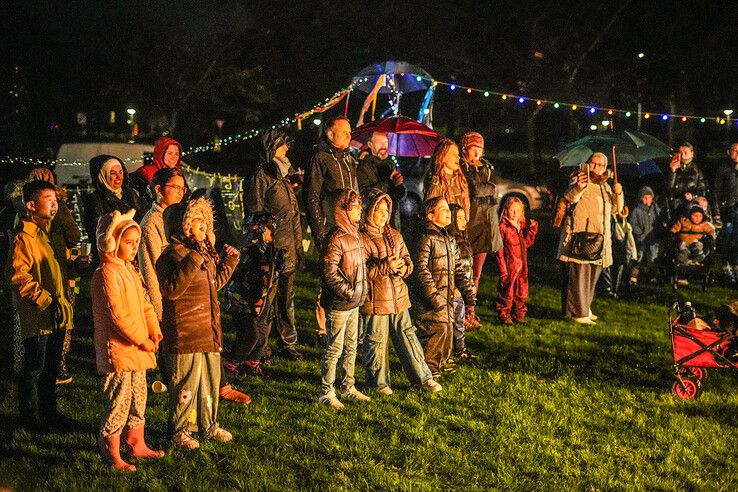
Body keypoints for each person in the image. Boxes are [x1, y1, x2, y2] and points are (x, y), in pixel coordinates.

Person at [157, 197, 243, 449]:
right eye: (196, 219)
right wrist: (193, 259)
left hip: (208, 329)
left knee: (209, 380)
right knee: (185, 384)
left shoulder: (203, 253)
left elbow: (213, 286)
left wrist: (229, 263)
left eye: (204, 218)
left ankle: (208, 424)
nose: (203, 223)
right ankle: (181, 429)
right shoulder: (171, 255)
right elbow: (171, 290)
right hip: (185, 331)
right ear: (182, 225)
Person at [91, 210, 164, 471]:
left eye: (136, 242)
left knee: (138, 397)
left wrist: (153, 329)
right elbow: (117, 315)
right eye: (128, 242)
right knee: (119, 400)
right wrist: (142, 340)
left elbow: (145, 304)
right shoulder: (107, 273)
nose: (134, 247)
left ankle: (136, 442)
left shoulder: (131, 271)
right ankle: (110, 449)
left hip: (139, 347)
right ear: (113, 241)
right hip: (119, 350)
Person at [7, 180, 75, 432]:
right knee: (34, 366)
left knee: (49, 368)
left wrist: (75, 264)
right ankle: (30, 416)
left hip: (55, 313)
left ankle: (49, 411)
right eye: (48, 198)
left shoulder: (47, 231)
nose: (54, 203)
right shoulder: (24, 237)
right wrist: (45, 300)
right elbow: (19, 276)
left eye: (55, 198)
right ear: (31, 205)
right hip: (39, 315)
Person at [360, 189, 442, 395]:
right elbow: (361, 271)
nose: (384, 215)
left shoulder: (394, 235)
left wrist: (405, 267)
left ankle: (423, 378)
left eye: (386, 210)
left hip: (398, 297)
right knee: (376, 341)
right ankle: (378, 383)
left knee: (408, 337)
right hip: (375, 299)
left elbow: (407, 259)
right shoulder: (361, 238)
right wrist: (385, 265)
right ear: (368, 211)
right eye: (379, 210)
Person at [245, 129, 304, 361]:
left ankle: (287, 342)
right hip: (271, 249)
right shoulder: (262, 175)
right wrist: (263, 239)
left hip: (287, 246)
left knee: (286, 300)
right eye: (282, 145)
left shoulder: (283, 174)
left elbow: (292, 216)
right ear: (271, 149)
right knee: (266, 300)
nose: (286, 149)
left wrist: (297, 249)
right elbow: (254, 210)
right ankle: (262, 346)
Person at [27, 167, 88, 385]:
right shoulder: (55, 211)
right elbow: (73, 235)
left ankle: (47, 370)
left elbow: (75, 236)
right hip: (51, 278)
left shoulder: (24, 213)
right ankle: (54, 367)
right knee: (58, 324)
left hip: (57, 274)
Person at [304, 116, 359, 346]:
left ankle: (346, 326)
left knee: (350, 274)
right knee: (328, 276)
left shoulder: (349, 160)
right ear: (330, 134)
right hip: (331, 227)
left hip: (351, 228)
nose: (349, 135)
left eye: (349, 131)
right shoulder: (321, 159)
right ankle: (321, 329)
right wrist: (320, 231)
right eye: (344, 131)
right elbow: (312, 196)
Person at [410, 197, 476, 379]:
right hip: (430, 300)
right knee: (433, 332)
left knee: (446, 330)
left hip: (445, 297)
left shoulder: (448, 238)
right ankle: (428, 370)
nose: (449, 213)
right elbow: (421, 269)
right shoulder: (426, 237)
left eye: (448, 209)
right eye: (443, 209)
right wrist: (434, 297)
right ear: (430, 216)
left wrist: (467, 290)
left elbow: (457, 267)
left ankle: (439, 362)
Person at [557, 152, 624, 325]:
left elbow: (615, 210)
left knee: (592, 274)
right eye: (593, 163)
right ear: (588, 164)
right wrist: (579, 187)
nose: (596, 167)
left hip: (599, 238)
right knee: (578, 275)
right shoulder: (579, 179)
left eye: (600, 165)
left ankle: (585, 306)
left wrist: (619, 193)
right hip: (581, 235)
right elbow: (570, 198)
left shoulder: (606, 185)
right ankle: (577, 311)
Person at [319, 189, 369, 409]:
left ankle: (348, 386)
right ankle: (327, 391)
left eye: (360, 205)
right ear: (343, 210)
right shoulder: (337, 237)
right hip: (341, 303)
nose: (360, 210)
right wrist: (349, 292)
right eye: (355, 206)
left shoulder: (356, 234)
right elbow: (329, 270)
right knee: (335, 348)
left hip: (354, 303)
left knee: (351, 346)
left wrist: (359, 293)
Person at [223, 212, 283, 378]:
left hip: (261, 301)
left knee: (262, 336)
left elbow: (269, 278)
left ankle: (252, 365)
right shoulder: (248, 251)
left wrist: (277, 267)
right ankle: (229, 365)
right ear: (260, 230)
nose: (272, 233)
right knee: (251, 335)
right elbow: (244, 278)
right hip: (243, 303)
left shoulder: (268, 251)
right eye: (269, 229)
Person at [138, 168, 186, 322]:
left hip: (181, 295)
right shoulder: (151, 223)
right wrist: (159, 315)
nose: (180, 192)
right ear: (159, 189)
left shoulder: (178, 218)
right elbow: (150, 269)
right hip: (165, 300)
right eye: (175, 187)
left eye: (182, 188)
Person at [459, 132, 503, 292]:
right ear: (464, 149)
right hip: (470, 226)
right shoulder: (461, 168)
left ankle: (471, 309)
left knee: (476, 274)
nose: (477, 153)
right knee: (463, 272)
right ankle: (461, 310)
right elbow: (474, 190)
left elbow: (495, 187)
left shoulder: (487, 168)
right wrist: (489, 188)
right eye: (473, 148)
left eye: (480, 148)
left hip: (485, 227)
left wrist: (490, 188)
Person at [83, 155, 142, 260]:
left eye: (121, 172)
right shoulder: (95, 199)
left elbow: (142, 218)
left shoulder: (131, 194)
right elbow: (98, 232)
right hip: (110, 257)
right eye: (113, 173)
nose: (119, 177)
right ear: (102, 175)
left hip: (133, 253)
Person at [495, 196, 538, 325]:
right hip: (509, 265)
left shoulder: (521, 226)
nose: (515, 213)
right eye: (512, 210)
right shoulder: (503, 227)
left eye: (518, 210)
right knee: (507, 292)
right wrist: (503, 269)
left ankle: (519, 314)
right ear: (506, 210)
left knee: (521, 292)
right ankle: (504, 314)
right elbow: (499, 250)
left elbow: (526, 244)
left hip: (522, 265)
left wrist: (532, 230)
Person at [447, 204, 479, 364]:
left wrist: (470, 282)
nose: (463, 220)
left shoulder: (463, 239)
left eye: (463, 217)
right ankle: (448, 352)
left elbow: (467, 265)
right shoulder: (450, 241)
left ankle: (460, 349)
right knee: (452, 322)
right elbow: (452, 267)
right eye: (459, 217)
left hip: (464, 286)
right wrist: (454, 287)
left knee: (460, 321)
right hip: (454, 290)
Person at [356, 131, 406, 230]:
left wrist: (399, 185)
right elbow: (364, 195)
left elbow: (400, 197)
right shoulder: (363, 166)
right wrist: (389, 182)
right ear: (370, 144)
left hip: (392, 224)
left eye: (386, 142)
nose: (384, 146)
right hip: (373, 226)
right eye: (379, 142)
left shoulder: (390, 165)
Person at [129, 136, 187, 204]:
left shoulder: (177, 173)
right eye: (170, 153)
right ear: (161, 153)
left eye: (177, 154)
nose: (173, 158)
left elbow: (187, 196)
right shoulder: (146, 172)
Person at [424, 139, 470, 217]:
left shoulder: (460, 181)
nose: (458, 158)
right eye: (453, 154)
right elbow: (430, 212)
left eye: (458, 154)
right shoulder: (436, 182)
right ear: (442, 157)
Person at [713, 141, 738, 283]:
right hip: (728, 210)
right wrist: (717, 211)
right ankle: (726, 268)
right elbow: (716, 192)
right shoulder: (723, 169)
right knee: (727, 240)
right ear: (729, 152)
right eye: (735, 150)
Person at [629, 186, 662, 284]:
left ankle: (652, 276)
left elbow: (659, 221)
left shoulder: (655, 210)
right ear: (641, 198)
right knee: (639, 256)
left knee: (652, 257)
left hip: (652, 238)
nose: (648, 200)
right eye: (645, 197)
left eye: (650, 197)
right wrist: (640, 234)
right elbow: (633, 224)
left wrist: (657, 231)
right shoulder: (637, 210)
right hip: (641, 239)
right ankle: (634, 275)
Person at [665, 142, 708, 214]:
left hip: (692, 205)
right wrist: (672, 171)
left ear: (692, 153)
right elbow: (668, 187)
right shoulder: (673, 167)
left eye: (685, 152)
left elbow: (702, 189)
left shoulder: (696, 170)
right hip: (676, 205)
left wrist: (692, 195)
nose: (683, 155)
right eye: (680, 152)